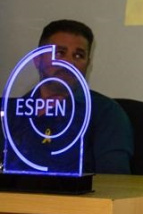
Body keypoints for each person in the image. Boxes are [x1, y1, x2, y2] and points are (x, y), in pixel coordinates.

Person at [32, 19, 134, 174]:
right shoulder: (11, 112)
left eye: (78, 55)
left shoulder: (106, 113)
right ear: (37, 59)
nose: (69, 62)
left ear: (88, 64)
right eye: (60, 53)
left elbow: (114, 183)